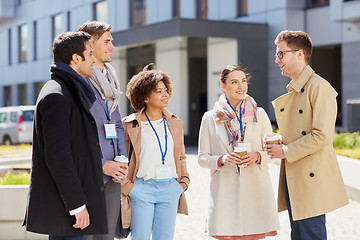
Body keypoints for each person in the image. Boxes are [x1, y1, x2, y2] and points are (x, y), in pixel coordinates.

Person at [24, 31, 108, 239]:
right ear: (75, 58)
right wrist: (77, 205)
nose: (93, 59)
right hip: (66, 210)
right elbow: (57, 157)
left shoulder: (70, 89)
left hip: (72, 205)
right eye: (90, 54)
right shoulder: (57, 94)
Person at [266, 30, 349, 240]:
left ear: (300, 54)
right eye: (277, 55)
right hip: (295, 174)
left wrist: (284, 150)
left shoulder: (319, 87)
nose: (277, 60)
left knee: (311, 235)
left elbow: (322, 136)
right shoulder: (297, 88)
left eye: (281, 54)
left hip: (310, 177)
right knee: (299, 236)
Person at [198, 65, 280, 240]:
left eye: (243, 81)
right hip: (224, 191)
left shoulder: (259, 114)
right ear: (223, 85)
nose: (241, 86)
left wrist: (257, 157)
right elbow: (202, 158)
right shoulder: (210, 118)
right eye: (234, 82)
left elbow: (271, 152)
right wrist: (222, 159)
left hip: (255, 189)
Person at [121, 64, 190, 240]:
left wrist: (182, 183)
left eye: (166, 90)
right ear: (144, 96)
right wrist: (129, 188)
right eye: (159, 91)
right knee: (140, 238)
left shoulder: (174, 123)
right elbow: (120, 160)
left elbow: (181, 156)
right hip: (141, 188)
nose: (165, 94)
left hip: (170, 188)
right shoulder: (129, 125)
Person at [77, 21, 128, 240]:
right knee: (87, 236)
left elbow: (116, 123)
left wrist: (122, 158)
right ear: (90, 45)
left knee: (107, 235)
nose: (112, 46)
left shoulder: (111, 78)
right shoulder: (79, 80)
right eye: (107, 41)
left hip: (114, 171)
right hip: (92, 170)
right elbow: (77, 132)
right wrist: (101, 164)